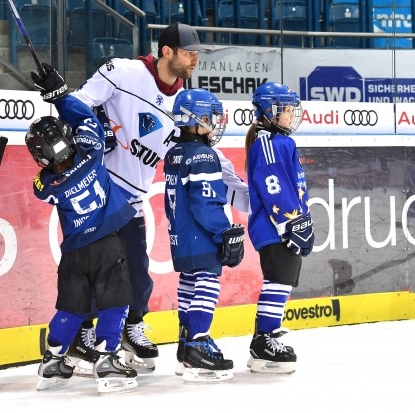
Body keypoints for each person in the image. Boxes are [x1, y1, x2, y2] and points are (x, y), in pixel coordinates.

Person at [71, 22, 250, 374]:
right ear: (166, 51)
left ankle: (129, 328)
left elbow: (212, 161)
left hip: (134, 200)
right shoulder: (123, 71)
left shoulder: (184, 103)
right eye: (189, 52)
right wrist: (94, 125)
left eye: (198, 53)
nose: (196, 59)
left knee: (139, 275)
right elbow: (78, 104)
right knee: (98, 272)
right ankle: (81, 335)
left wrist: (252, 198)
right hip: (101, 192)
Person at [27, 63, 138, 395]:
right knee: (115, 299)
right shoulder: (90, 152)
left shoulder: (45, 184)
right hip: (107, 244)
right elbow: (86, 120)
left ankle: (53, 357)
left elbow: (42, 184)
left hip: (74, 252)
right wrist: (60, 96)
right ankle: (107, 356)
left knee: (71, 306)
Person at [164, 88, 245, 383]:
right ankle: (198, 341)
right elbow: (206, 201)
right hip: (200, 234)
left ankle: (186, 345)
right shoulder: (203, 154)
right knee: (207, 281)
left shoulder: (174, 152)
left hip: (180, 235)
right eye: (211, 117)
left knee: (188, 282)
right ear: (194, 120)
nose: (215, 122)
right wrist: (223, 231)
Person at [244, 82, 315, 374]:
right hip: (275, 228)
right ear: (270, 110)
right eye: (285, 109)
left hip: (283, 226)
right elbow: (273, 185)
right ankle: (264, 341)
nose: (290, 114)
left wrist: (302, 217)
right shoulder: (267, 142)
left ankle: (266, 337)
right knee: (277, 280)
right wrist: (290, 224)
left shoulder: (279, 141)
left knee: (282, 281)